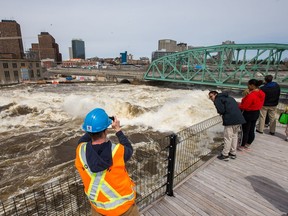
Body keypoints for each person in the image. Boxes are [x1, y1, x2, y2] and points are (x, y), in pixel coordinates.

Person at [75, 108, 139, 216]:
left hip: (98, 210)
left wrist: (94, 127)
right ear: (106, 130)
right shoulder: (118, 151)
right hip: (125, 210)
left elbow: (83, 140)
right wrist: (118, 129)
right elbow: (129, 148)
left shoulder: (80, 150)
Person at [208, 91, 246, 161]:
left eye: (211, 96)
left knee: (227, 137)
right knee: (234, 136)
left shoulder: (217, 100)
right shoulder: (230, 97)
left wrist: (219, 110)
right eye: (209, 97)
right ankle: (233, 153)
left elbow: (221, 110)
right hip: (238, 119)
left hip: (230, 120)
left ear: (216, 94)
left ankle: (225, 154)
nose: (210, 98)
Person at [239, 79, 265, 150]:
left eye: (248, 85)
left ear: (252, 85)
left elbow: (244, 106)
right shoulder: (262, 93)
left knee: (245, 130)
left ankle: (242, 145)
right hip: (256, 112)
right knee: (252, 129)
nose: (247, 86)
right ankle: (248, 143)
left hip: (248, 113)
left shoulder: (251, 95)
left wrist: (239, 104)